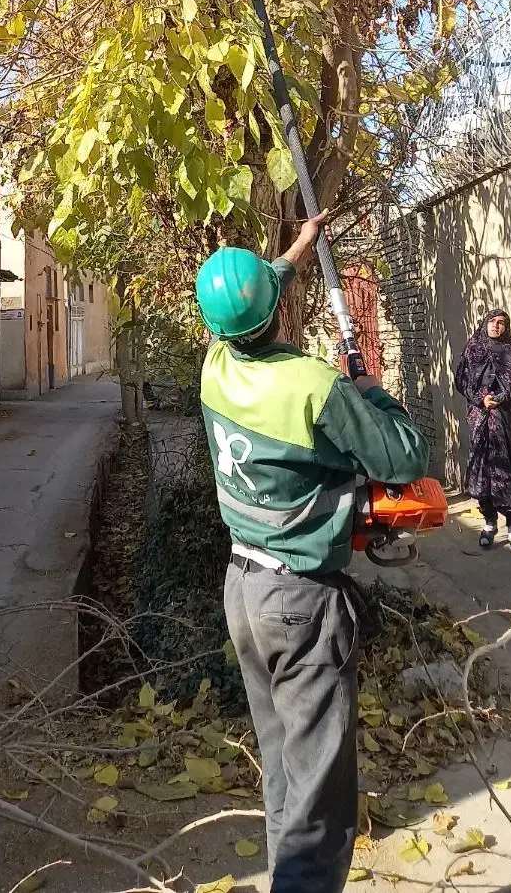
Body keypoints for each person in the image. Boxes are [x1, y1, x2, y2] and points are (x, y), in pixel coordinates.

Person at [194, 219, 429, 893]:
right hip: (300, 604)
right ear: (280, 312)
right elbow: (402, 454)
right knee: (321, 812)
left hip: (244, 592)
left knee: (287, 783)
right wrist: (370, 389)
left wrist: (297, 249)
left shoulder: (214, 367)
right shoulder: (311, 385)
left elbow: (248, 301)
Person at [455, 308, 511, 552]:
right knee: (483, 471)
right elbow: (462, 380)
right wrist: (482, 399)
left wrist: (500, 397)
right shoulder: (473, 347)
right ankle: (489, 524)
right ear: (485, 322)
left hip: (509, 421)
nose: (497, 326)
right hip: (481, 419)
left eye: (502, 323)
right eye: (493, 321)